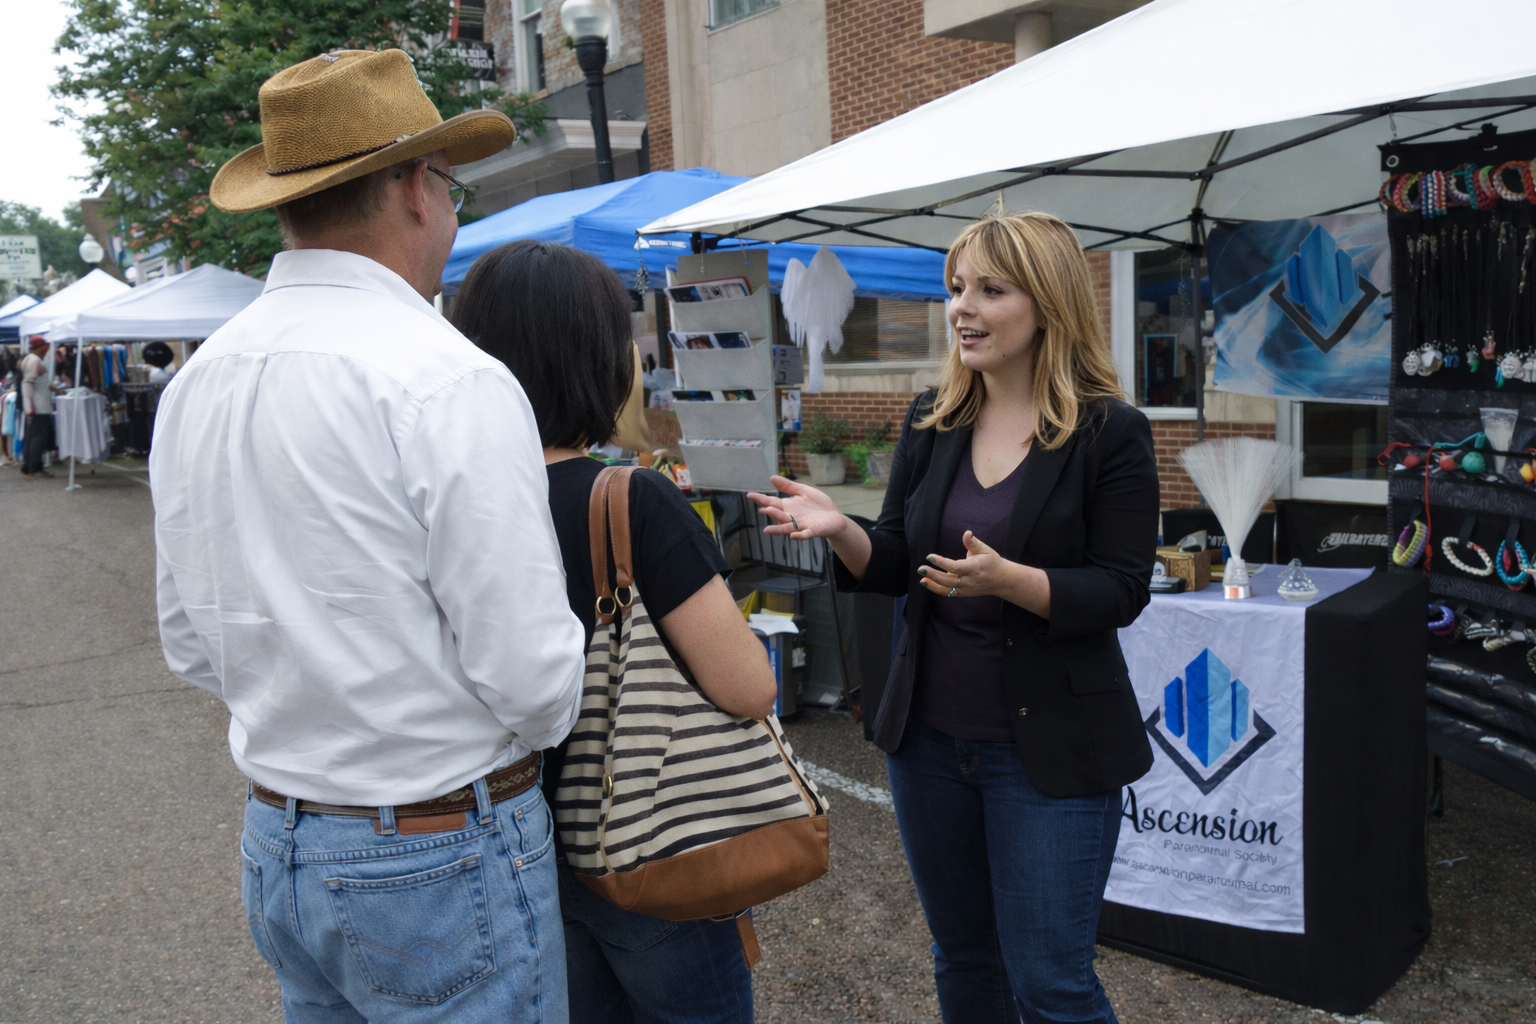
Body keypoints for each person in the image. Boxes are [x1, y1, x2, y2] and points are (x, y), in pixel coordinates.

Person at [151, 50, 588, 1022]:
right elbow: (530, 673)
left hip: (283, 836)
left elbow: (189, 641)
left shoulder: (196, 384)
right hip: (434, 840)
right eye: (450, 182)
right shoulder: (444, 375)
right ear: (413, 188)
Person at [750, 212, 1159, 1024]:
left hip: (1046, 755)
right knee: (964, 961)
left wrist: (1012, 581)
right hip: (929, 744)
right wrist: (845, 532)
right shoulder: (933, 418)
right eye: (956, 289)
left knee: (1051, 984)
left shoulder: (1109, 431)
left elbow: (1120, 590)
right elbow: (900, 558)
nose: (962, 309)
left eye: (990, 290)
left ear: (1049, 303)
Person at [452, 238, 778, 1024]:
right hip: (642, 839)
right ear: (597, 357)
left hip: (513, 837)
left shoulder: (452, 495)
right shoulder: (627, 498)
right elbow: (748, 687)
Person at [19, 336, 56, 479]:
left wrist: (55, 388)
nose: (48, 349)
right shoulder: (34, 361)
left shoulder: (30, 359)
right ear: (41, 346)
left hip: (36, 404)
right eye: (46, 346)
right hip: (38, 405)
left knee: (32, 436)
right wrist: (30, 406)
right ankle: (34, 468)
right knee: (37, 437)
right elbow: (27, 383)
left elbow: (39, 383)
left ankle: (29, 466)